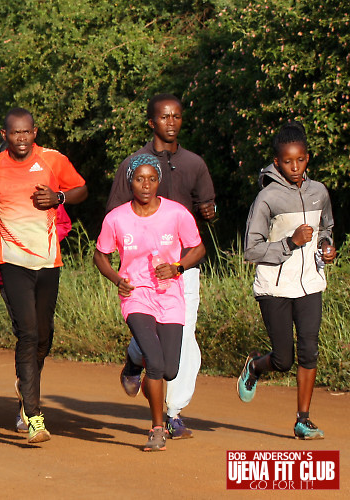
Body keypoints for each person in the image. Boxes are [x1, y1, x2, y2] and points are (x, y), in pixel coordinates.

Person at [106, 93, 216, 439]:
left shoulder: (194, 163)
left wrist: (211, 213)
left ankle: (174, 413)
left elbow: (206, 210)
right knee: (155, 343)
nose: (171, 122)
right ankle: (137, 357)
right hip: (141, 273)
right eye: (164, 117)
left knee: (183, 341)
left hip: (181, 266)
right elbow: (115, 217)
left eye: (177, 116)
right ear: (151, 121)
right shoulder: (134, 164)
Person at [0, 108, 87, 443]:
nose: (21, 138)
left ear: (34, 132)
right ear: (3, 134)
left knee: (43, 335)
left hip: (48, 261)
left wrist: (59, 197)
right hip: (10, 261)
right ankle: (34, 416)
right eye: (14, 133)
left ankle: (27, 387)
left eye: (26, 133)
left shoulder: (54, 160)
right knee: (27, 334)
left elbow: (81, 189)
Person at [94, 154, 205, 451]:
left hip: (170, 295)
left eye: (152, 179)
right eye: (139, 179)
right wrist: (118, 279)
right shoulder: (116, 218)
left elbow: (197, 248)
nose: (146, 185)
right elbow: (100, 255)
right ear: (130, 181)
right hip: (136, 296)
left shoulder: (177, 213)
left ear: (159, 181)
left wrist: (178, 267)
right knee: (156, 364)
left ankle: (135, 362)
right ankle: (158, 429)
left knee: (169, 370)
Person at [237, 121, 335, 440]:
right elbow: (250, 250)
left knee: (309, 351)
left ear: (308, 157)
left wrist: (326, 247)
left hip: (310, 284)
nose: (295, 167)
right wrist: (289, 243)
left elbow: (327, 230)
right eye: (288, 162)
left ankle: (303, 420)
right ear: (277, 162)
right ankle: (254, 367)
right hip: (275, 288)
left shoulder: (319, 192)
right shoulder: (267, 198)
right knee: (283, 360)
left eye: (301, 160)